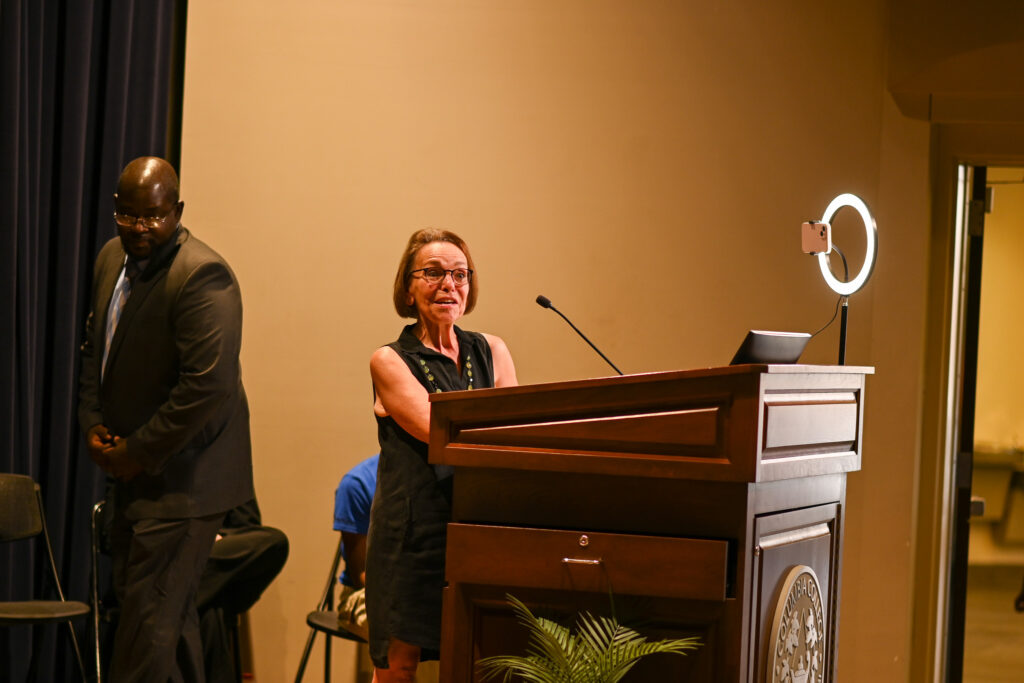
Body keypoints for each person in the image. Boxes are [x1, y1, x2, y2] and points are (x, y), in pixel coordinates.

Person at [78, 156, 254, 682]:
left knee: (147, 624)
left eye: (153, 217)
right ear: (115, 211)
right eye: (129, 216)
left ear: (176, 211)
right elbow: (96, 350)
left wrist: (136, 453)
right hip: (134, 472)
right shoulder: (111, 258)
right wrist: (91, 421)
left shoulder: (202, 274)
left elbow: (205, 388)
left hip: (186, 481)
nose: (140, 229)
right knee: (165, 624)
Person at [366, 229, 517, 682]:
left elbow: (513, 431)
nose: (448, 283)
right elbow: (440, 432)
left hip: (477, 524)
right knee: (399, 666)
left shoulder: (492, 349)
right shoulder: (390, 360)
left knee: (474, 655)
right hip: (413, 533)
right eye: (432, 273)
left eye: (459, 274)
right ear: (408, 289)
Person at [333, 453, 380, 640]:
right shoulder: (358, 482)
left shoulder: (443, 474)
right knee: (404, 631)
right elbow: (361, 574)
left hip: (423, 593)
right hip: (364, 592)